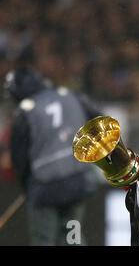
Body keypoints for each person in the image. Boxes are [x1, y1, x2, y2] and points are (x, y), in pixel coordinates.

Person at [4, 66, 100, 245]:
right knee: (73, 237)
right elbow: (99, 121)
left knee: (44, 239)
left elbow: (19, 159)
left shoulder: (25, 112)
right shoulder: (69, 96)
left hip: (45, 188)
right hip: (76, 181)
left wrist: (27, 185)